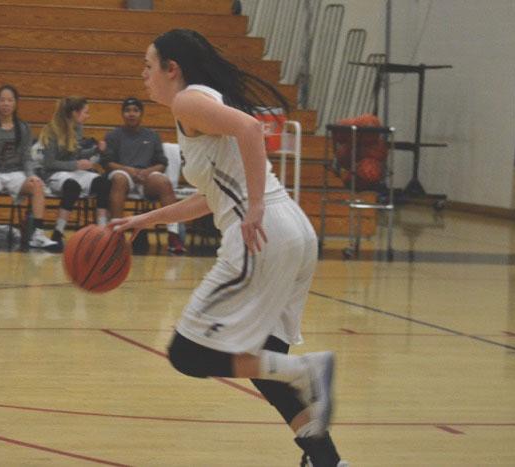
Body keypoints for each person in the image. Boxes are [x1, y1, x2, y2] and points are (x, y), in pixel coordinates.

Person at [111, 29, 344, 466]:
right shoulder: (203, 101)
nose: (143, 75)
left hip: (262, 233)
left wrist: (254, 206)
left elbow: (251, 129)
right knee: (264, 366)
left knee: (188, 353)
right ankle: (327, 461)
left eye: (148, 65)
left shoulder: (188, 102)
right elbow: (213, 197)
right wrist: (147, 218)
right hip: (291, 230)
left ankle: (309, 369)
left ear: (171, 69)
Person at [0, 84, 58, 250]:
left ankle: (38, 234)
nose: (6, 104)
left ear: (15, 103)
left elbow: (27, 158)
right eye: (2, 100)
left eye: (9, 100)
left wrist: (31, 175)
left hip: (17, 173)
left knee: (37, 185)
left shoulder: (23, 128)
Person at [102, 97, 185, 255]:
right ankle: (116, 234)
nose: (131, 114)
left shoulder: (152, 135)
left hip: (146, 176)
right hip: (124, 174)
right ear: (122, 114)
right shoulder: (113, 135)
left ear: (141, 114)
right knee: (118, 179)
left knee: (163, 182)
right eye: (127, 110)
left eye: (135, 110)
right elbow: (107, 162)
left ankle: (174, 236)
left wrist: (147, 172)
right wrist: (127, 169)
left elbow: (162, 162)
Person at [38, 97, 111, 249]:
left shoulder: (77, 128)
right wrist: (75, 165)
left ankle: (102, 231)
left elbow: (76, 154)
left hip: (72, 171)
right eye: (85, 112)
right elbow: (49, 163)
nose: (88, 116)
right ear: (74, 113)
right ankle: (57, 233)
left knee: (103, 183)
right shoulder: (51, 131)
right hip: (54, 174)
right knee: (73, 187)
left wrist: (96, 150)